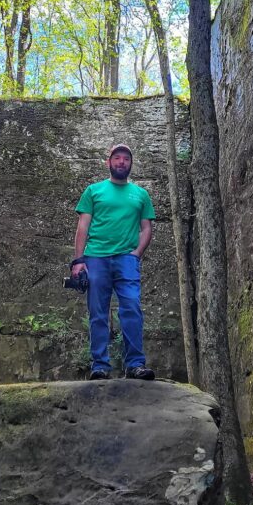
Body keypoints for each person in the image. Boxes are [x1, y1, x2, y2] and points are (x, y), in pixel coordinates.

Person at [72, 144, 156, 381]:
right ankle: (99, 366)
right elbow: (83, 226)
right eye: (116, 158)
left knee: (131, 308)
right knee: (98, 312)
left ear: (131, 164)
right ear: (108, 162)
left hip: (126, 259)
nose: (121, 162)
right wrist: (79, 260)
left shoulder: (140, 194)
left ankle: (135, 365)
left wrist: (136, 253)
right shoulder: (93, 191)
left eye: (126, 159)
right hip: (96, 258)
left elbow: (146, 228)